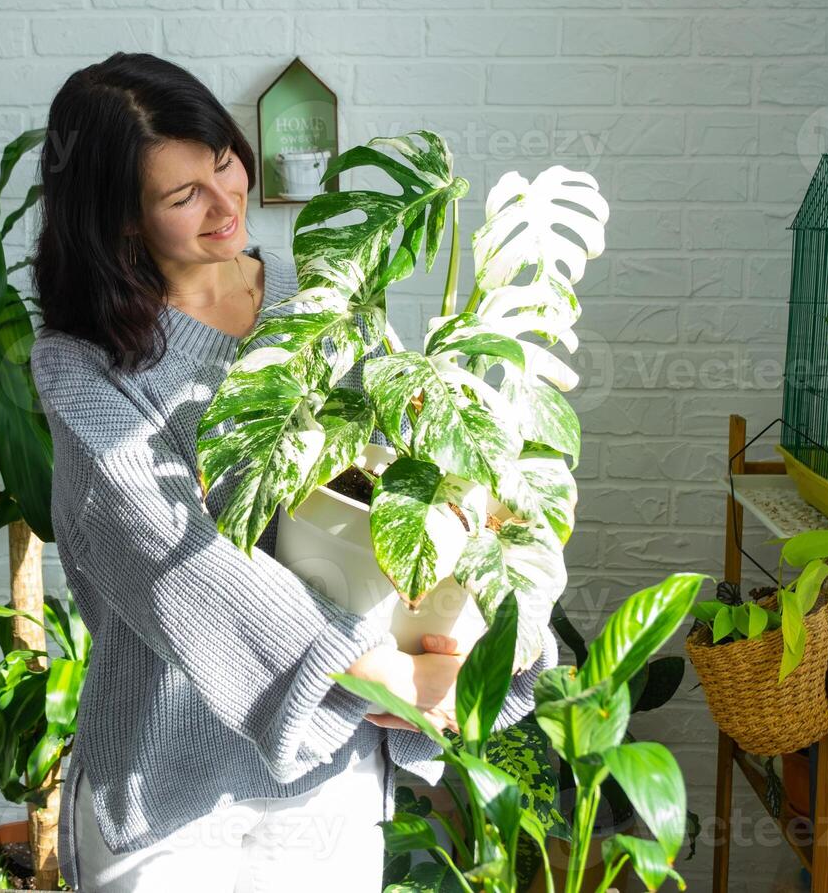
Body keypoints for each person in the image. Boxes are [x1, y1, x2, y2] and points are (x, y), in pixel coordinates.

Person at [28, 52, 552, 893]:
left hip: (327, 787)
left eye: (224, 163)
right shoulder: (82, 368)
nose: (225, 202)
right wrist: (383, 673)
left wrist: (473, 635)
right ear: (122, 220)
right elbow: (173, 553)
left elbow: (417, 490)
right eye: (181, 195)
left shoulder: (324, 302)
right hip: (166, 796)